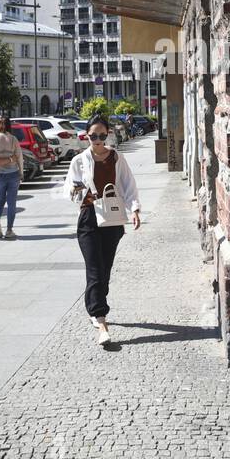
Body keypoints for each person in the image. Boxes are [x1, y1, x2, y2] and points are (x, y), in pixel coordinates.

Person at [68, 116, 140, 345]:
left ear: (107, 134)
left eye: (101, 135)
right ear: (86, 136)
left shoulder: (117, 158)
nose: (97, 140)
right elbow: (69, 189)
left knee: (105, 268)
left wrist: (135, 209)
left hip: (112, 216)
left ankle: (94, 306)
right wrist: (78, 191)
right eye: (93, 136)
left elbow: (128, 185)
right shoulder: (79, 160)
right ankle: (101, 320)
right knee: (95, 268)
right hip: (89, 217)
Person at [0, 117, 24, 239]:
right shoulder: (13, 139)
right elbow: (19, 156)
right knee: (12, 202)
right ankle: (9, 230)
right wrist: (21, 172)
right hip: (13, 173)